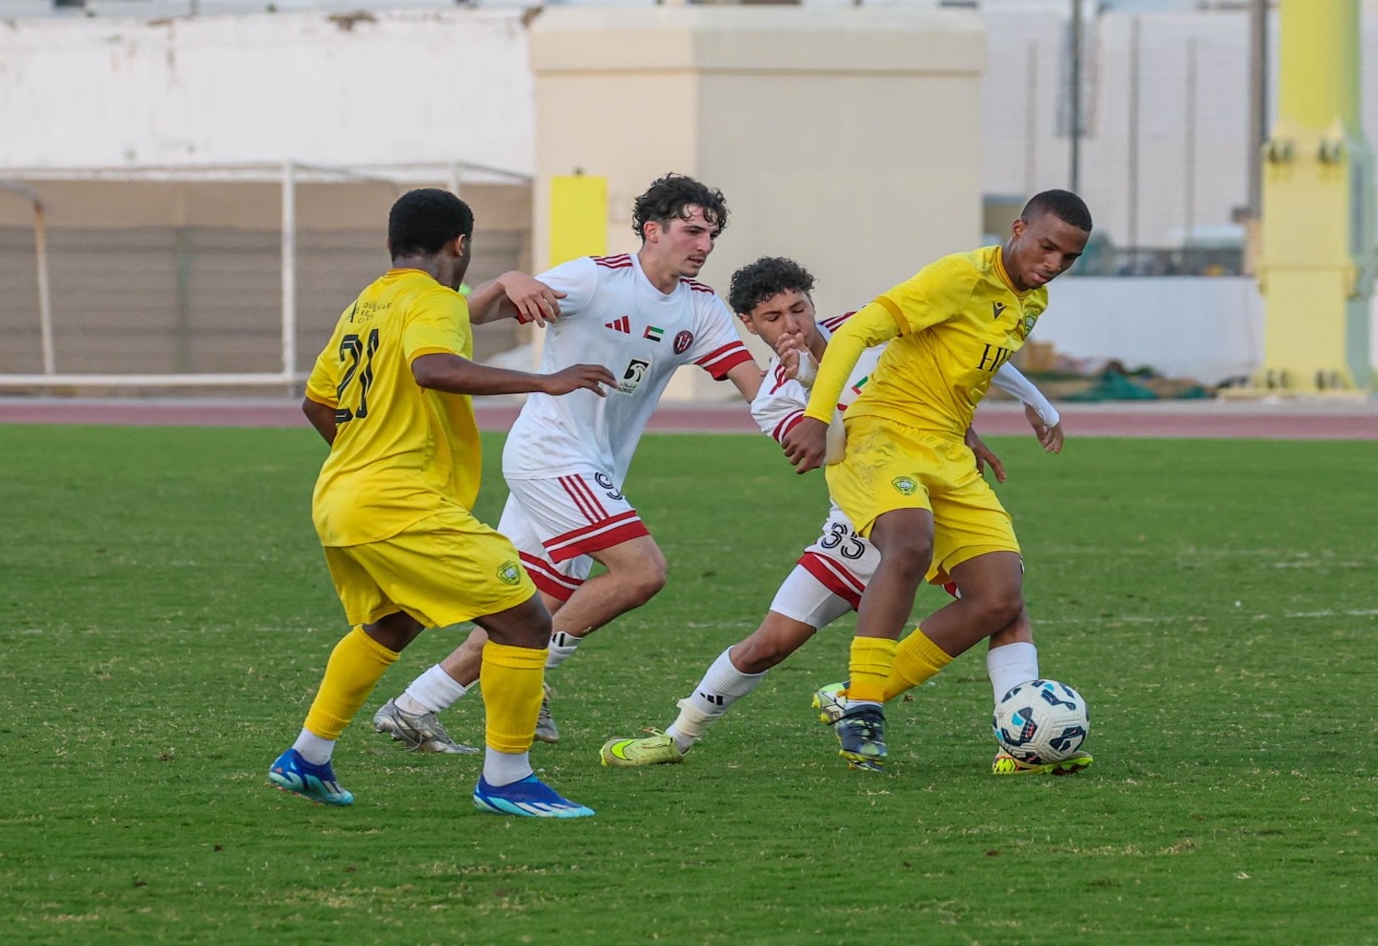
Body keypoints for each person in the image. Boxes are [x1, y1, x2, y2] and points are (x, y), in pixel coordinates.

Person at [597, 256, 1065, 770]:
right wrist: (804, 386)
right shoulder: (773, 395)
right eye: (773, 318)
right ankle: (676, 737)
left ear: (813, 302)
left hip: (920, 501)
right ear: (750, 326)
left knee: (1002, 601)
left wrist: (1026, 407)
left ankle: (1020, 743)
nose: (791, 324)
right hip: (857, 523)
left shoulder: (869, 331)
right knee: (768, 645)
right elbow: (832, 451)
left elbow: (972, 353)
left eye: (798, 308)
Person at [368, 174, 766, 753]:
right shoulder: (595, 278)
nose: (703, 245)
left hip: (592, 467)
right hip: (550, 454)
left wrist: (807, 415)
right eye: (692, 230)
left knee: (525, 608)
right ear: (652, 231)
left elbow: (754, 385)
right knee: (641, 572)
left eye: (711, 234)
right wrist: (508, 279)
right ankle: (533, 677)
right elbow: (470, 316)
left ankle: (413, 707)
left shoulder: (701, 310)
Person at [266, 188, 617, 816]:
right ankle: (506, 778)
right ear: (461, 244)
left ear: (391, 246)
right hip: (394, 503)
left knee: (394, 622)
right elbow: (432, 367)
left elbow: (317, 403)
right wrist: (544, 380)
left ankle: (307, 756)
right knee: (526, 619)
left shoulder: (367, 305)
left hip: (343, 497)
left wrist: (366, 456)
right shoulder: (434, 303)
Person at [780, 189, 1095, 773]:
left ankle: (855, 695)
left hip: (946, 450)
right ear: (1019, 228)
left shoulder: (1032, 301)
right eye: (1047, 247)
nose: (1053, 264)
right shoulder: (958, 276)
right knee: (909, 541)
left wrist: (1018, 410)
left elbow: (967, 363)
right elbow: (854, 334)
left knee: (1000, 598)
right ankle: (864, 708)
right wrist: (816, 418)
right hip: (882, 436)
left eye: (1068, 258)